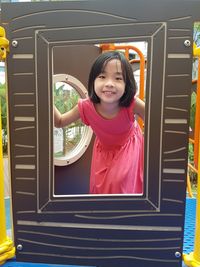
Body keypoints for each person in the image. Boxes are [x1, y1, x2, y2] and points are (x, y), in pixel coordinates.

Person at [54, 51, 145, 194]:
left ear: (127, 84)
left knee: (119, 183)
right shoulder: (86, 106)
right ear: (93, 81)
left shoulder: (132, 104)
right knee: (100, 188)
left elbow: (155, 121)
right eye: (102, 76)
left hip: (128, 146)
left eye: (118, 78)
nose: (109, 84)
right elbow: (59, 121)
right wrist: (44, 92)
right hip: (103, 151)